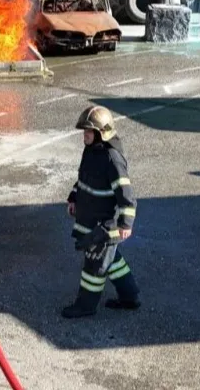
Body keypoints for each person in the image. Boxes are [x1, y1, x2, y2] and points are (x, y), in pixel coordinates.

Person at [62, 105, 140, 318]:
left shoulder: (112, 159)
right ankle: (130, 296)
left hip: (103, 227)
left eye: (89, 131)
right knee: (112, 261)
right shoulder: (91, 151)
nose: (85, 135)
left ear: (101, 133)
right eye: (85, 131)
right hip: (89, 220)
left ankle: (85, 306)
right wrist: (74, 197)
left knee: (94, 266)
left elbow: (126, 193)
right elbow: (83, 178)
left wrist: (125, 222)